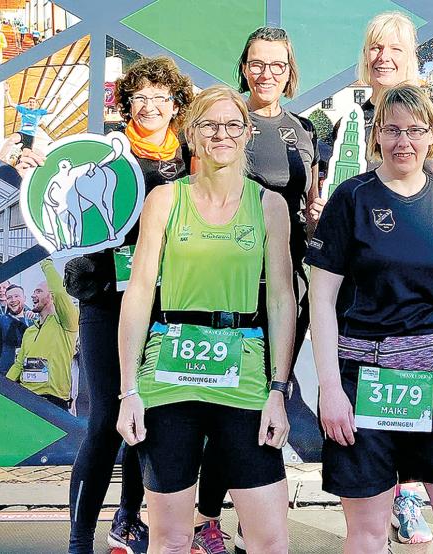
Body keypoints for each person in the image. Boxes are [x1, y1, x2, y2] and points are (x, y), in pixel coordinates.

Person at [307, 13, 433, 544]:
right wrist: (330, 389)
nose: (403, 140)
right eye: (392, 129)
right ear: (377, 134)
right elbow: (321, 296)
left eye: (415, 130)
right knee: (368, 532)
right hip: (363, 379)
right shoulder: (351, 198)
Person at [17, 55, 194, 554]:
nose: (152, 106)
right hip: (105, 299)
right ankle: (78, 540)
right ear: (127, 103)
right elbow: (57, 199)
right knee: (105, 421)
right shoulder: (103, 152)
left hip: (167, 304)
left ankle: (129, 519)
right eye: (142, 97)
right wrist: (34, 164)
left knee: (152, 418)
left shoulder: (189, 156)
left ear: (176, 103)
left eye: (162, 97)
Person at [115, 84, 295, 554]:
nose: (222, 134)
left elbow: (280, 300)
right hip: (169, 377)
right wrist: (128, 391)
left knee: (271, 540)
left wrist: (278, 391)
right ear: (192, 133)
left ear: (247, 132)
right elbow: (137, 296)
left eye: (232, 125)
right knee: (171, 540)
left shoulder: (270, 206)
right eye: (210, 125)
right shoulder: (165, 201)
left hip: (244, 376)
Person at [191, 27, 320, 553]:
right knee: (230, 402)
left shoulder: (307, 129)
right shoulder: (227, 122)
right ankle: (205, 518)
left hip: (288, 279)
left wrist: (315, 213)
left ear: (291, 72)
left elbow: (309, 200)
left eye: (277, 65)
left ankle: (249, 520)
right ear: (243, 67)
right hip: (234, 280)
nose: (267, 73)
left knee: (268, 400)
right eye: (257, 64)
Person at [6, 258, 79, 410]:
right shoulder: (30, 331)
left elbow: (59, 292)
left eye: (38, 291)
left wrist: (45, 262)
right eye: (33, 291)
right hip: (26, 397)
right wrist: (1, 389)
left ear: (50, 296)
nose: (33, 295)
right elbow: (19, 365)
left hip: (53, 401)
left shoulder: (66, 323)